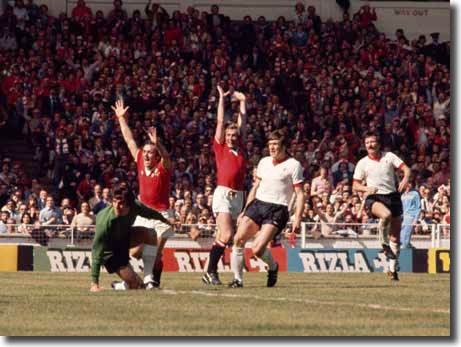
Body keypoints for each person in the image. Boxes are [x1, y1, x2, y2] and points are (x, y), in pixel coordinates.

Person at [228, 130, 304, 288]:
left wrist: (297, 218)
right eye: (270, 144)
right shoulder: (264, 162)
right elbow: (255, 187)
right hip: (258, 204)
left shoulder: (293, 165)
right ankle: (238, 280)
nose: (272, 147)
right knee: (238, 239)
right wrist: (245, 210)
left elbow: (300, 194)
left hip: (278, 209)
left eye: (276, 144)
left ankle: (273, 267)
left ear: (284, 146)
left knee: (257, 248)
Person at [113, 99, 174, 289]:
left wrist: (159, 144)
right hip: (142, 213)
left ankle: (149, 281)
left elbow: (166, 158)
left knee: (153, 249)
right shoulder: (140, 160)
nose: (146, 155)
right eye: (145, 152)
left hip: (161, 216)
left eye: (150, 152)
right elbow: (130, 140)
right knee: (135, 252)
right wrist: (121, 119)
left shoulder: (163, 168)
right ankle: (134, 283)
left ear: (156, 156)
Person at [202, 86, 247, 286]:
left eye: (233, 135)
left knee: (223, 236)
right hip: (223, 194)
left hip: (238, 196)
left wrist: (243, 102)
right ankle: (211, 270)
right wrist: (221, 99)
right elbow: (220, 121)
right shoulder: (220, 148)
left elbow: (243, 122)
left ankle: (209, 272)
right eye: (228, 135)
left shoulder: (242, 149)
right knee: (228, 234)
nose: (230, 138)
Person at [90, 183, 171, 292]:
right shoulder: (104, 220)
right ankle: (121, 285)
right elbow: (96, 251)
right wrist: (94, 284)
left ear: (129, 203)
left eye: (121, 203)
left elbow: (151, 213)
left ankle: (149, 279)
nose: (117, 206)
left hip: (125, 238)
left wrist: (166, 220)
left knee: (151, 233)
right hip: (110, 252)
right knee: (137, 286)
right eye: (114, 201)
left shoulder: (135, 206)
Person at [352, 131, 411, 281]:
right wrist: (366, 189)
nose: (370, 145)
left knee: (396, 238)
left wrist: (405, 178)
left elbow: (406, 169)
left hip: (393, 196)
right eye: (367, 143)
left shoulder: (389, 156)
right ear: (365, 146)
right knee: (385, 215)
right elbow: (355, 186)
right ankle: (383, 243)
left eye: (373, 142)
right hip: (375, 197)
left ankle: (392, 270)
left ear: (378, 144)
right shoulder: (363, 163)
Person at [400, 182, 421, 249]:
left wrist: (415, 219)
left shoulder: (415, 194)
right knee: (401, 235)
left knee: (406, 234)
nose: (408, 185)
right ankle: (409, 247)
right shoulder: (403, 195)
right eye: (407, 183)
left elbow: (418, 207)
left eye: (409, 183)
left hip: (410, 217)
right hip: (403, 217)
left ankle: (405, 249)